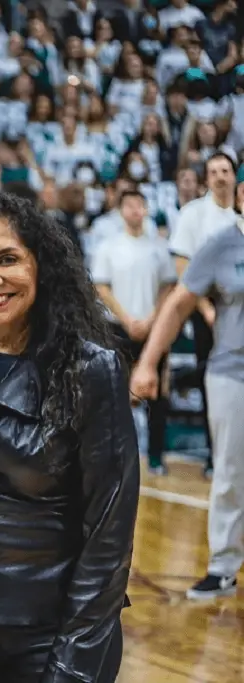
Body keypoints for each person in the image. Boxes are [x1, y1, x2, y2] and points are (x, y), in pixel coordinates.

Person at [0, 193, 138, 683]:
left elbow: (109, 534)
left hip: (51, 633)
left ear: (43, 267)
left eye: (8, 259)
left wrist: (75, 660)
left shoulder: (92, 370)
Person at [130, 212, 244, 601]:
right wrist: (147, 362)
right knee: (230, 471)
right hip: (233, 373)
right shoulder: (220, 244)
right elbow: (179, 305)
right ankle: (223, 568)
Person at [91, 190, 177, 475]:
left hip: (153, 326)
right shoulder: (109, 247)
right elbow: (102, 288)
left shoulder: (158, 247)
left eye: (140, 205)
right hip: (118, 326)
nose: (135, 210)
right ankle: (116, 455)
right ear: (120, 210)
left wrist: (153, 318)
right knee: (116, 393)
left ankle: (155, 456)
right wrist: (126, 318)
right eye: (129, 205)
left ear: (146, 209)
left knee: (155, 394)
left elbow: (168, 286)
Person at [167, 153, 238, 477]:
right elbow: (184, 268)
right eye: (213, 171)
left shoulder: (238, 216)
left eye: (225, 170)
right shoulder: (193, 214)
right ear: (205, 178)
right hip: (208, 308)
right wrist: (207, 311)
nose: (220, 176)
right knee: (216, 383)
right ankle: (214, 454)